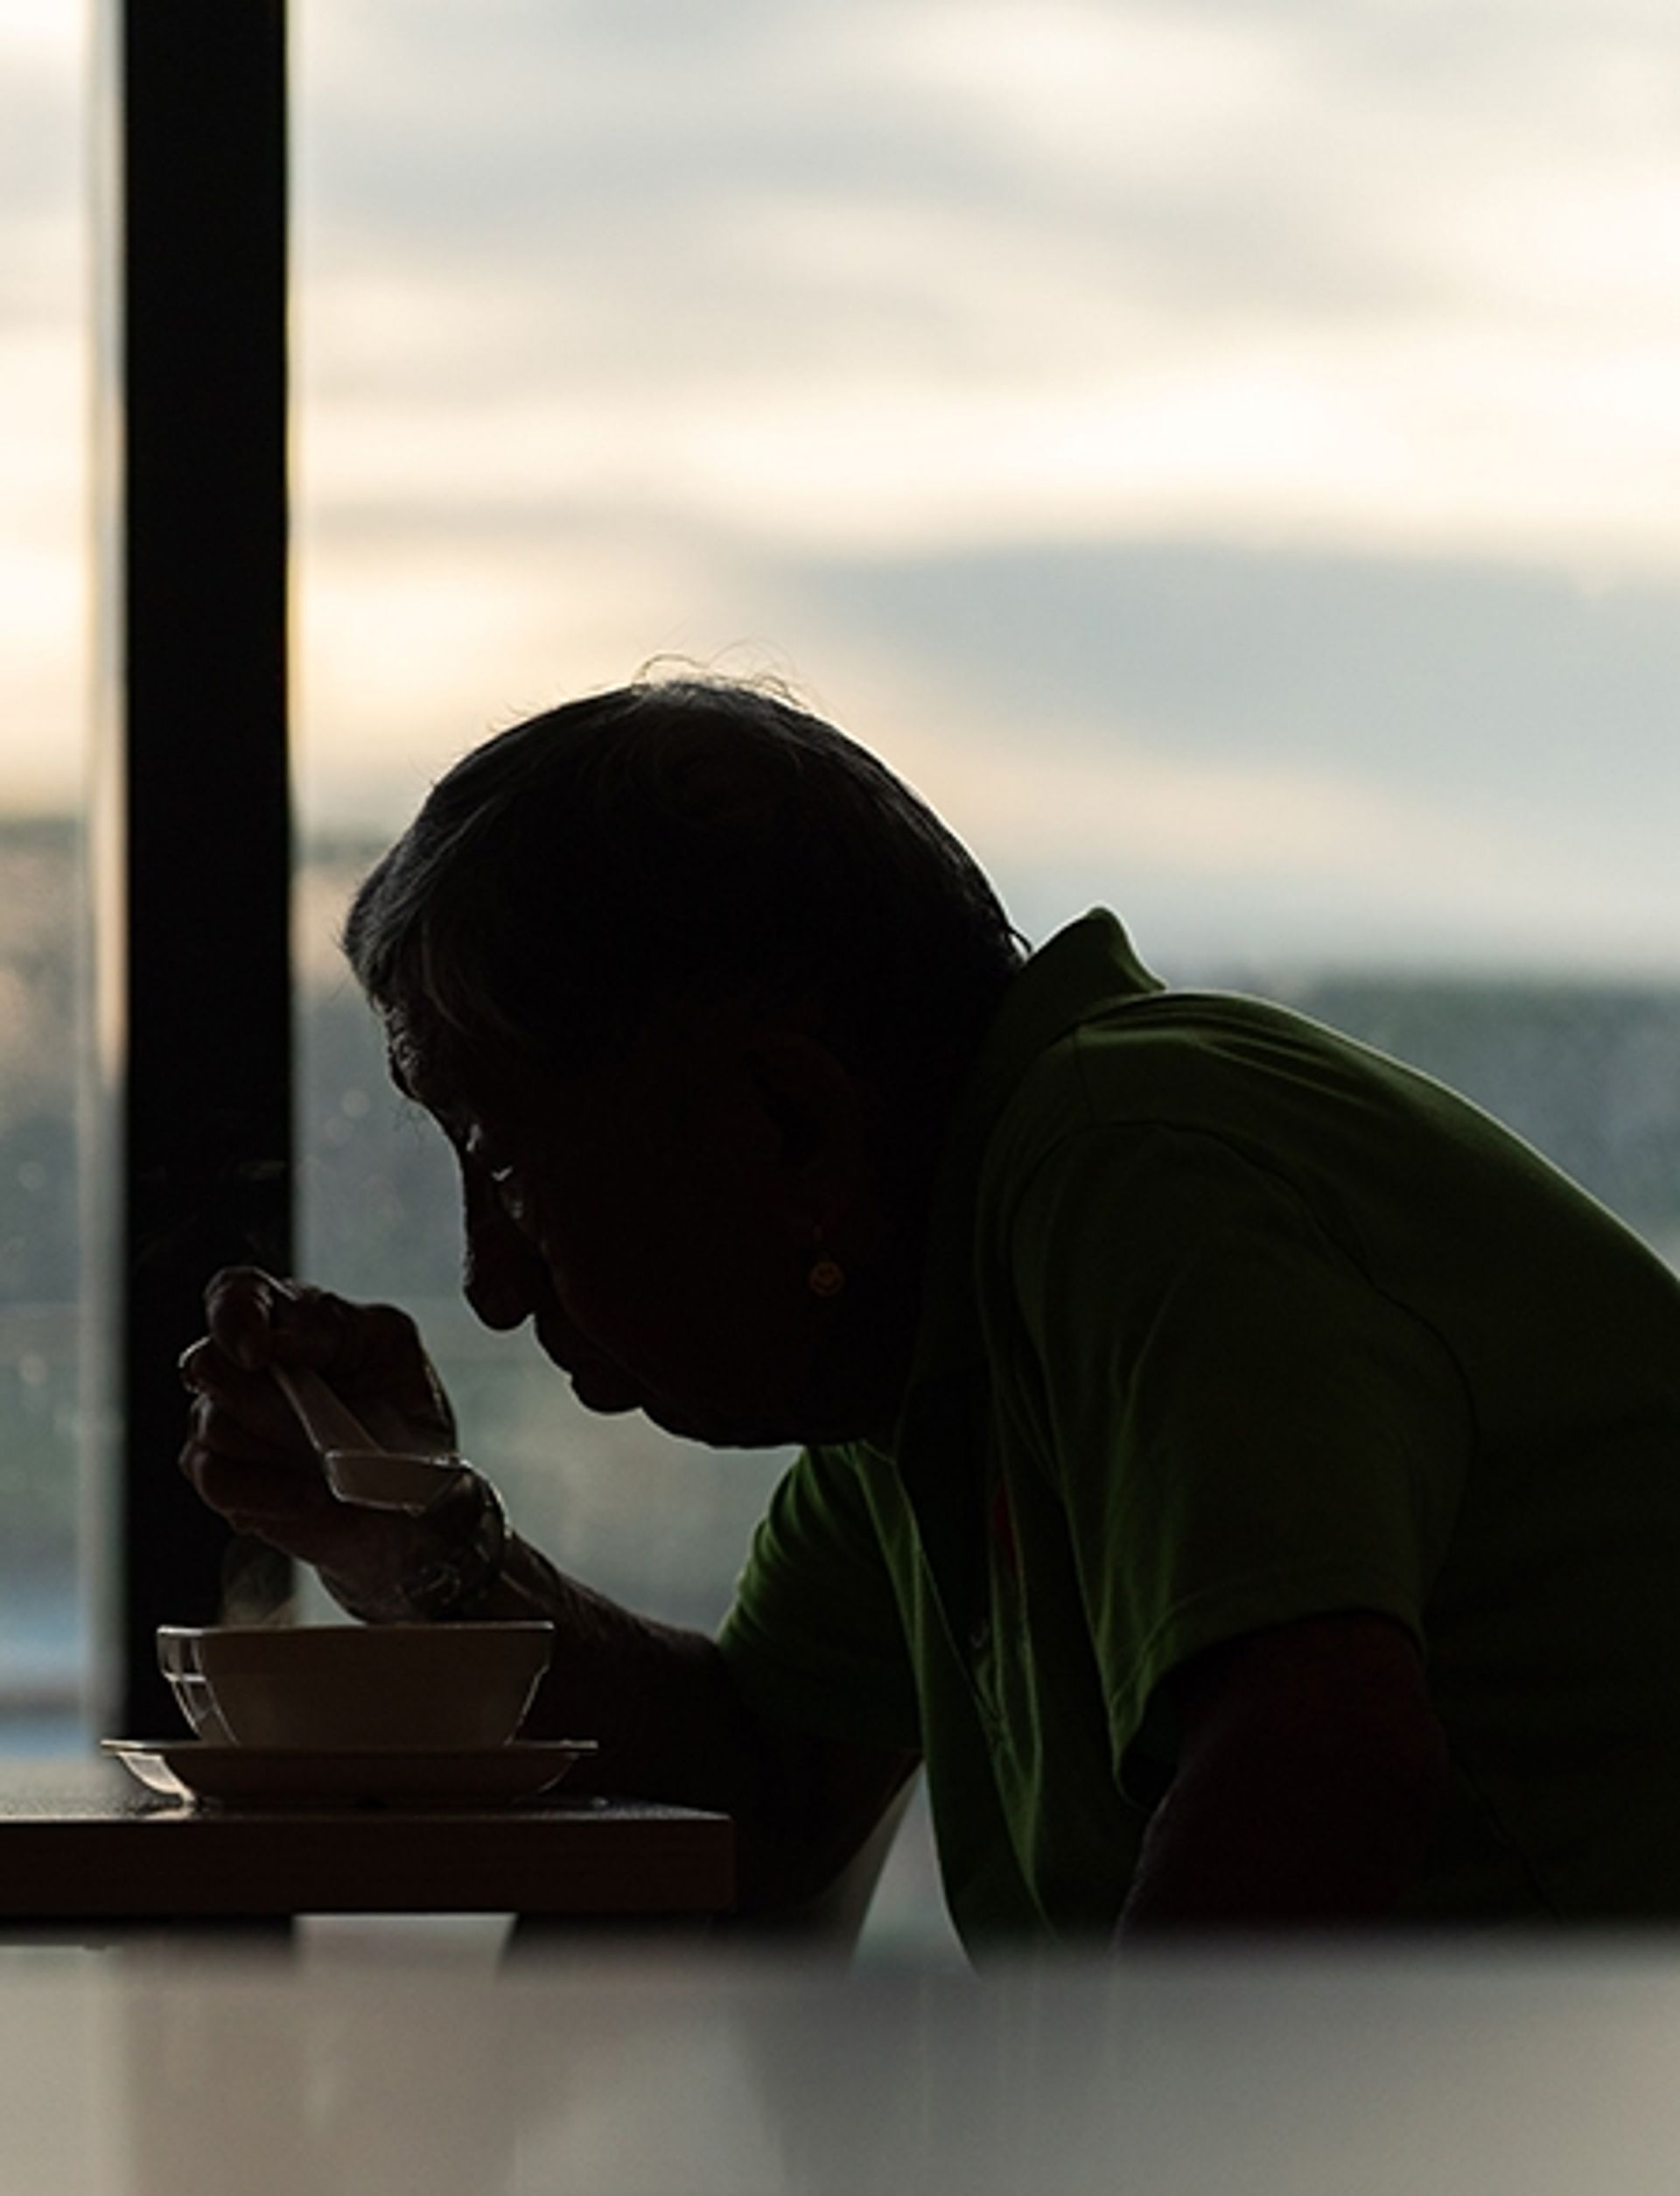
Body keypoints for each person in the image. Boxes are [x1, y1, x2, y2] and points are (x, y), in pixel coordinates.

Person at [179, 677, 1680, 1947]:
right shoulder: (933, 1347)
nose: (489, 1285)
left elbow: (1317, 1772)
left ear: (790, 1123)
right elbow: (755, 1792)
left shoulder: (1140, 1176)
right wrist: (419, 1539)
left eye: (503, 1164)